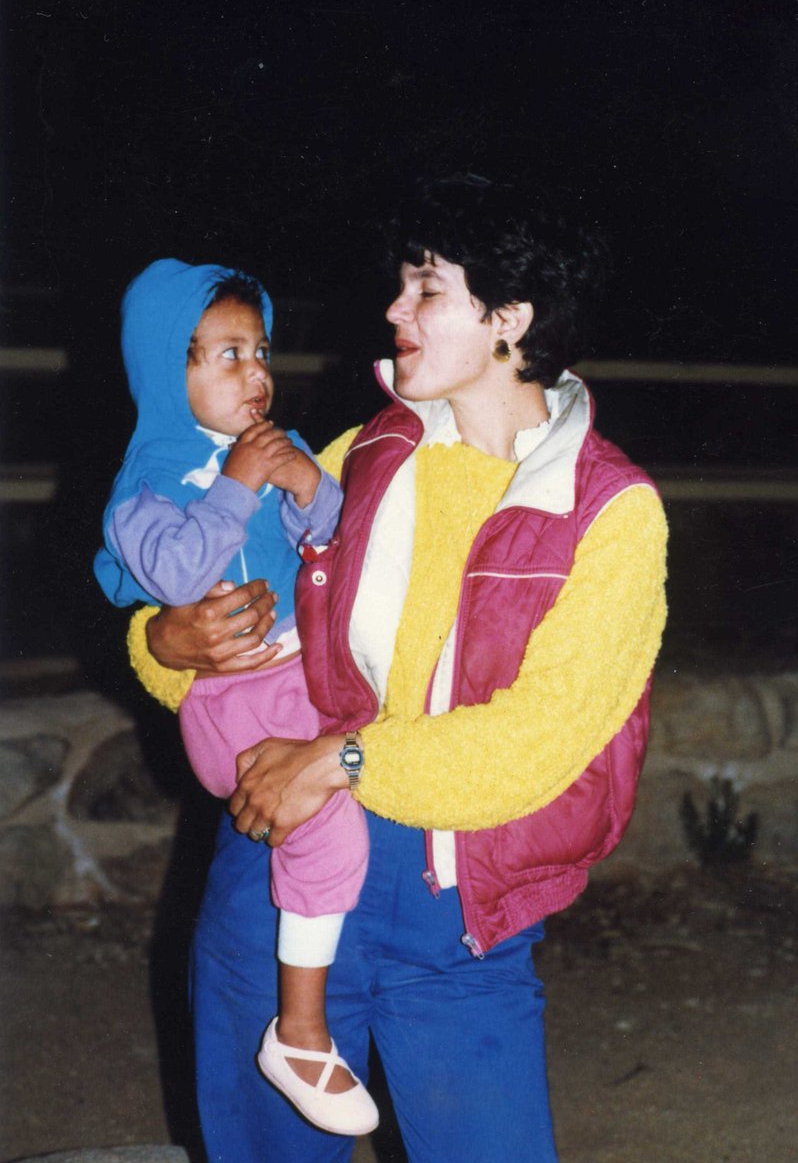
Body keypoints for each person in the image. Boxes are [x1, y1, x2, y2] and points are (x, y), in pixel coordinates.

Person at [129, 176, 668, 1163]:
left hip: (457, 912)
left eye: (425, 288)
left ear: (509, 319)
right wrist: (163, 644)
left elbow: (544, 737)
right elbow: (217, 601)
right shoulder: (361, 454)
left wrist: (341, 760)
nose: (393, 309)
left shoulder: (608, 509)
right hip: (279, 873)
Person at [94, 258, 378, 1136]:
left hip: (297, 678)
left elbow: (338, 540)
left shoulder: (264, 453)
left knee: (356, 802)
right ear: (165, 370)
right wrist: (239, 486)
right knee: (331, 829)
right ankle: (299, 1032)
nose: (256, 373)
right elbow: (176, 575)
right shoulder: (144, 486)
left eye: (260, 352)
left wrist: (306, 487)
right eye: (227, 355)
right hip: (235, 706)